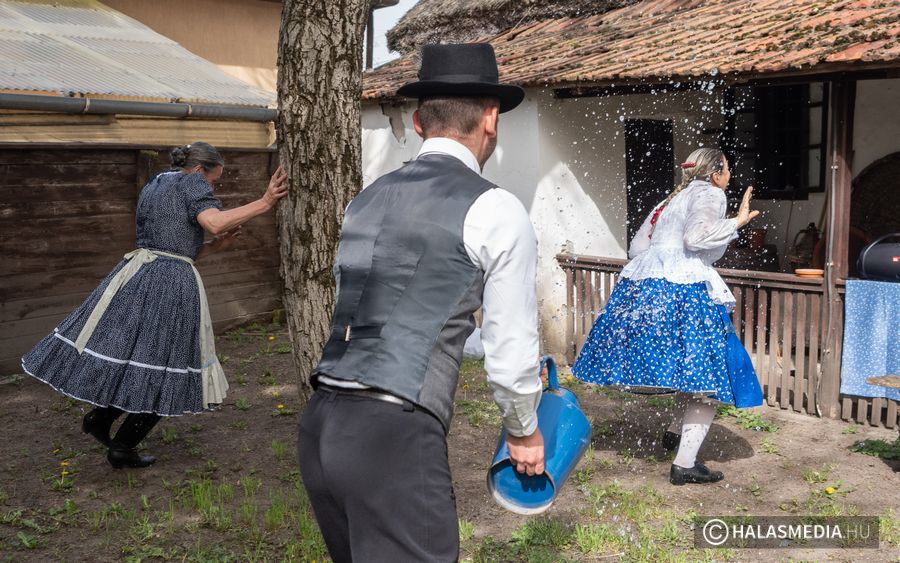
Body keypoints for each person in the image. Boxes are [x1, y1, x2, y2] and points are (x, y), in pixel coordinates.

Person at [298, 43, 544, 562]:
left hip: (321, 424)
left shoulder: (366, 198)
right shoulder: (496, 207)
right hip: (392, 436)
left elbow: (406, 313)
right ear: (491, 118)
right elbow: (510, 349)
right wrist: (523, 430)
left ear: (417, 122)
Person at [21, 142, 288, 469]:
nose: (212, 187)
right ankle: (122, 446)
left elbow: (171, 245)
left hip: (140, 274)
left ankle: (101, 420)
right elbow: (215, 222)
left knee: (142, 359)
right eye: (213, 180)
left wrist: (215, 247)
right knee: (169, 365)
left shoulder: (158, 182)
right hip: (168, 286)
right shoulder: (192, 182)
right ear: (199, 170)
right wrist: (265, 202)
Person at [573, 147, 763, 486]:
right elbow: (695, 239)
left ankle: (676, 433)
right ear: (715, 174)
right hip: (685, 290)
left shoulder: (670, 199)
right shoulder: (711, 194)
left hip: (646, 286)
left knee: (690, 369)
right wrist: (737, 221)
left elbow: (637, 249)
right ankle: (684, 464)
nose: (730, 175)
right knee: (708, 378)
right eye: (727, 169)